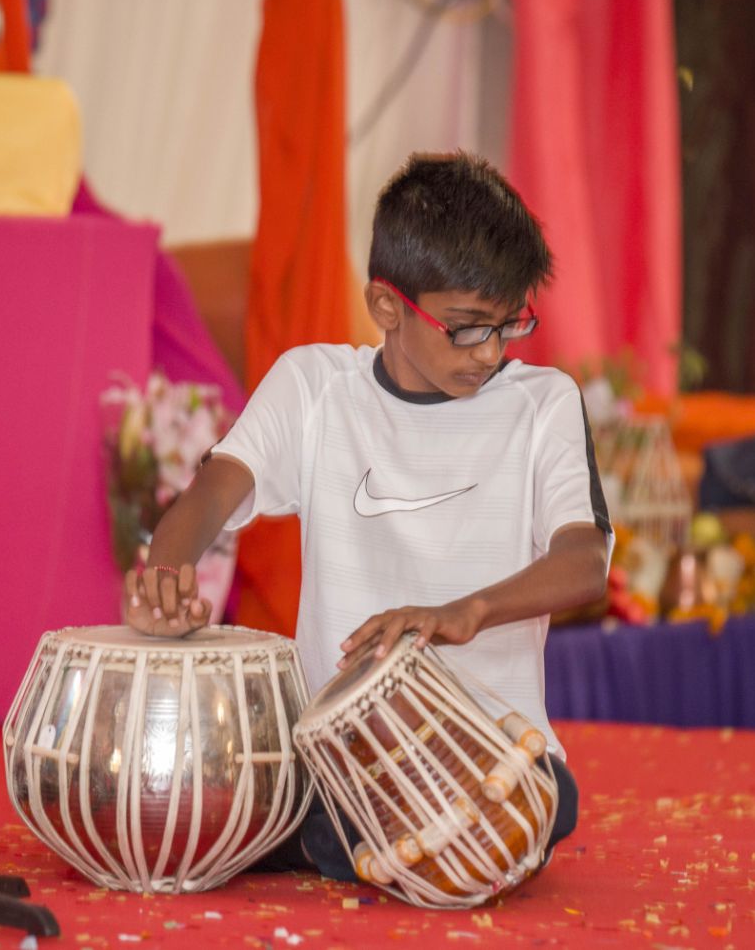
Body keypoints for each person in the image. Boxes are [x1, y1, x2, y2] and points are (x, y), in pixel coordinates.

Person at [123, 151, 611, 879]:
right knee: (186, 791)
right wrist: (166, 570)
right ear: (386, 305)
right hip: (339, 754)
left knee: (539, 799)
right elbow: (210, 496)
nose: (492, 351)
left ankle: (335, 840)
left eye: (510, 325)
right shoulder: (316, 388)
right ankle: (351, 834)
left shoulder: (543, 403)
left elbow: (585, 562)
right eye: (468, 326)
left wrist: (464, 611)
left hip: (494, 750)